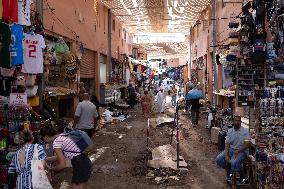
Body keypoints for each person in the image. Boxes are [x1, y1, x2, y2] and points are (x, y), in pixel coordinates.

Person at [40, 125, 92, 189]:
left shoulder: (56, 143)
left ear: (46, 137)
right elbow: (59, 157)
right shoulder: (63, 136)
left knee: (76, 186)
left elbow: (62, 165)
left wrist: (51, 169)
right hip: (85, 161)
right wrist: (45, 159)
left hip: (79, 163)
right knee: (82, 185)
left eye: (43, 138)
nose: (44, 141)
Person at [216, 115, 251, 181]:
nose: (237, 122)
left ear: (240, 122)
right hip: (232, 150)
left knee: (234, 162)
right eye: (236, 121)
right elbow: (227, 143)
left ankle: (243, 176)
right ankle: (229, 172)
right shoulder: (230, 131)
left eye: (239, 121)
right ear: (233, 121)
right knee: (219, 159)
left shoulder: (245, 131)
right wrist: (226, 154)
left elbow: (247, 144)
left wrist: (238, 150)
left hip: (242, 151)